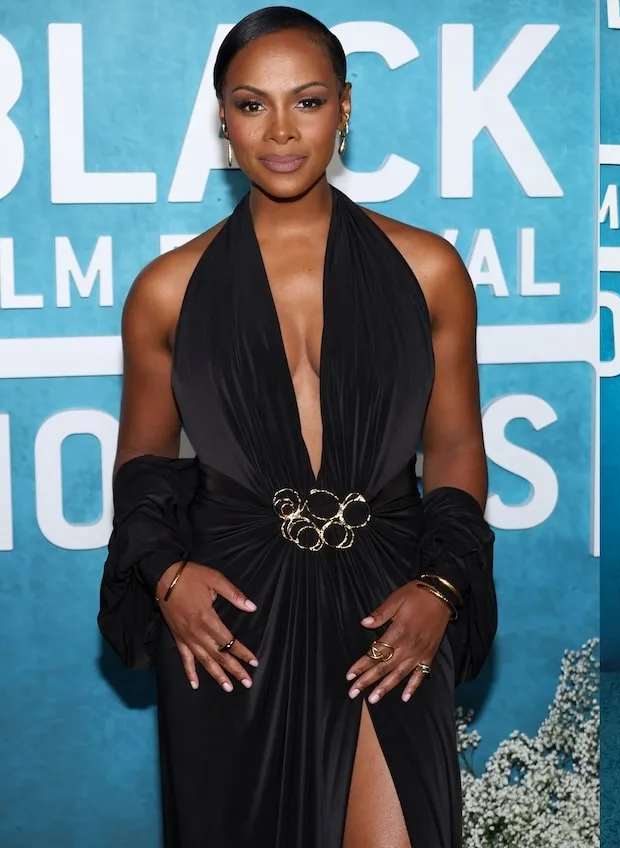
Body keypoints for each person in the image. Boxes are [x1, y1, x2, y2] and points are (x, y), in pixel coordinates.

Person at [96, 7, 497, 847]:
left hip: (388, 606)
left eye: (307, 101)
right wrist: (166, 579)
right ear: (222, 120)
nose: (280, 130)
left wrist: (443, 586)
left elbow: (456, 442)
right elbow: (142, 460)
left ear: (345, 107)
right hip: (230, 620)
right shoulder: (167, 289)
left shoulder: (428, 269)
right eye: (252, 105)